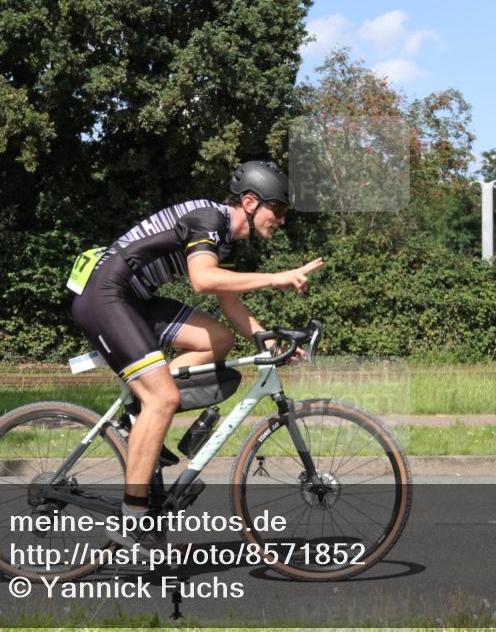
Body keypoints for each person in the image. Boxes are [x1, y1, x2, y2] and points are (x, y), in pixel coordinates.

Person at [70, 160, 322, 546]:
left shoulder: (226, 240)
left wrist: (270, 344)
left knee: (218, 340)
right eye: (279, 209)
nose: (282, 219)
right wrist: (276, 278)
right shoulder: (208, 219)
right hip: (106, 297)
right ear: (250, 203)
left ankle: (138, 417)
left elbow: (230, 302)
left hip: (135, 301)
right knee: (163, 398)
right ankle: (131, 519)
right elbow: (203, 279)